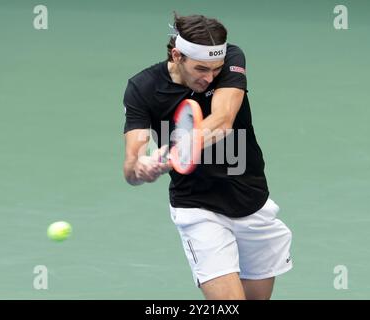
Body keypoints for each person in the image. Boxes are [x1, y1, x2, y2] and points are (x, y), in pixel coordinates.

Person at [123, 13, 292, 300]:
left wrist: (182, 146)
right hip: (197, 208)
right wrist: (143, 167)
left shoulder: (231, 58)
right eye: (200, 68)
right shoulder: (142, 88)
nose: (209, 77)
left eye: (215, 69)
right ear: (177, 55)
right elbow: (131, 166)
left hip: (251, 199)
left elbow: (224, 120)